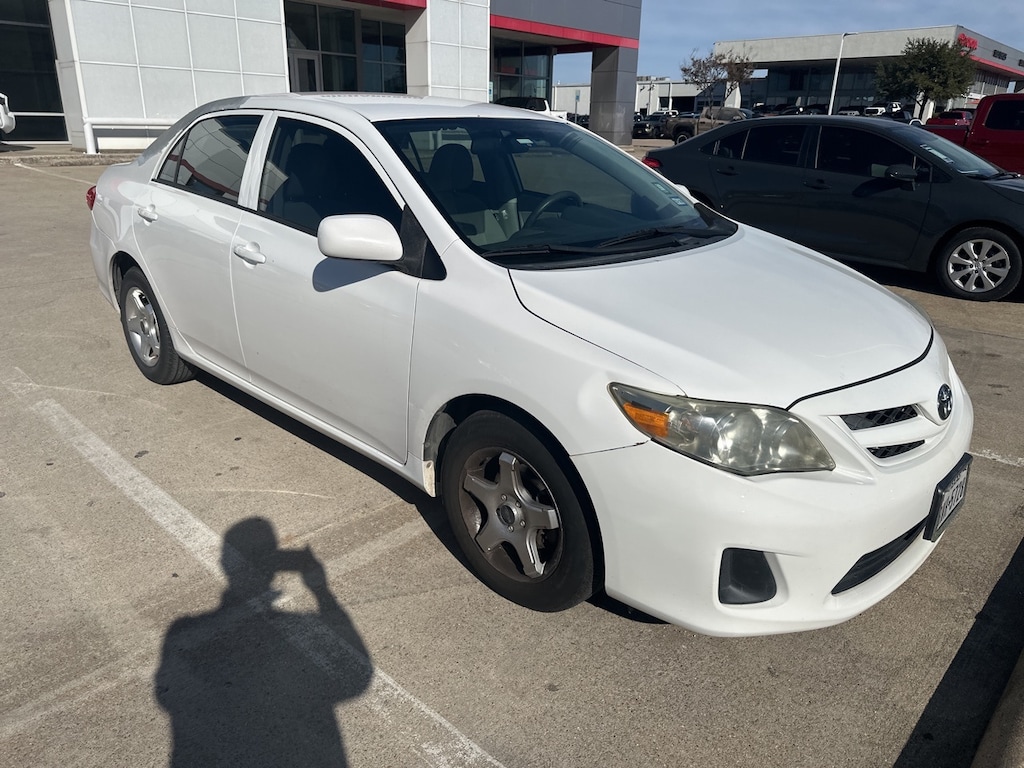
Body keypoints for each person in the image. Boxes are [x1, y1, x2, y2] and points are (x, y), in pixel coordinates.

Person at [155, 517, 372, 767]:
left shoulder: (181, 630)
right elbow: (357, 680)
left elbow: (166, 697)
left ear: (224, 563)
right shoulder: (303, 623)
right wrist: (321, 592)